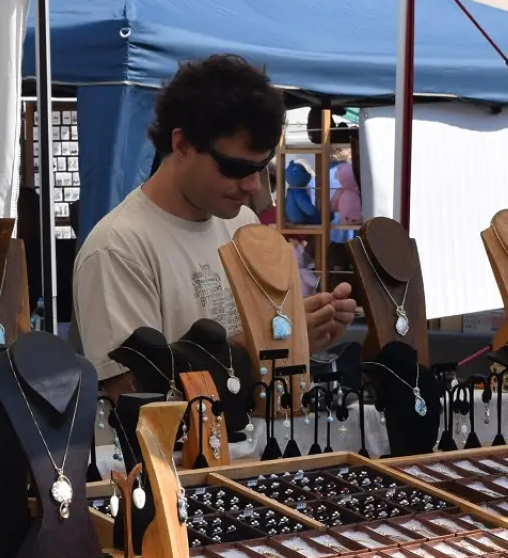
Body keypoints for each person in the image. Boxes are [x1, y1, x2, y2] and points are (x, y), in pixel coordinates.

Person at [74, 54, 358, 393]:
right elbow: (133, 399)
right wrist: (263, 345)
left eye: (262, 166)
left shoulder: (243, 224)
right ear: (181, 144)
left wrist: (303, 335)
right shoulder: (118, 248)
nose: (253, 185)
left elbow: (268, 361)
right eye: (234, 168)